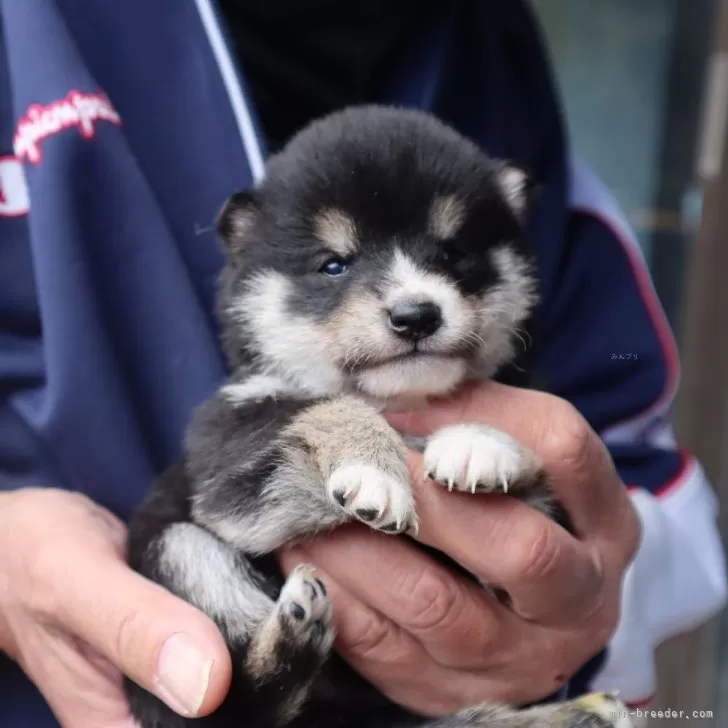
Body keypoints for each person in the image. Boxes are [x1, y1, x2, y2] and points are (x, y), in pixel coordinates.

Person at [0, 1, 725, 726]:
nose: (410, 299)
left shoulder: (497, 60)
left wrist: (586, 605)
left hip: (430, 698)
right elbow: (239, 505)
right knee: (184, 550)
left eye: (449, 256)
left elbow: (632, 466)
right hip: (119, 690)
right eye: (335, 264)